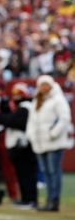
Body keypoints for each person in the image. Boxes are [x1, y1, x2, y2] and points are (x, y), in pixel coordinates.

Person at [26, 75, 74, 211]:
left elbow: (65, 118)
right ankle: (48, 199)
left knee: (54, 171)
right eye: (41, 85)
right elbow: (32, 121)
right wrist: (31, 136)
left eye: (45, 84)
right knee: (46, 172)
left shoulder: (58, 99)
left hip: (54, 142)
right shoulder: (37, 100)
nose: (43, 87)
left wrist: (53, 133)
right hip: (40, 143)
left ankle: (54, 200)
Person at [0, 83, 37, 208]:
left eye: (18, 95)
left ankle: (30, 199)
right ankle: (25, 198)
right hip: (20, 146)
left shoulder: (26, 107)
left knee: (27, 174)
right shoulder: (21, 107)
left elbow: (13, 121)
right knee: (21, 174)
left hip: (25, 146)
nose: (15, 97)